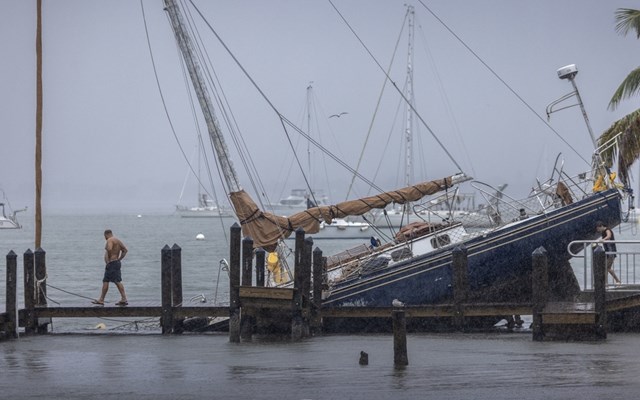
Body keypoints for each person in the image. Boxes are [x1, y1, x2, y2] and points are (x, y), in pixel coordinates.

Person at [92, 229, 129, 306]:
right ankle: (101, 299)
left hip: (112, 264)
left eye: (104, 236)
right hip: (114, 263)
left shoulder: (110, 240)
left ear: (106, 234)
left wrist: (109, 258)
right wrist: (119, 259)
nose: (105, 238)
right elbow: (125, 250)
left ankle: (124, 298)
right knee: (106, 280)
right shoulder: (117, 240)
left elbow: (109, 248)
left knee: (117, 281)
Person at [595, 221, 621, 285]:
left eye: (598, 228)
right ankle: (615, 281)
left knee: (606, 268)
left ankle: (607, 283)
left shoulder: (607, 230)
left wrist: (603, 239)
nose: (598, 230)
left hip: (611, 252)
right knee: (607, 268)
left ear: (601, 226)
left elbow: (609, 236)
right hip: (608, 252)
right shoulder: (603, 232)